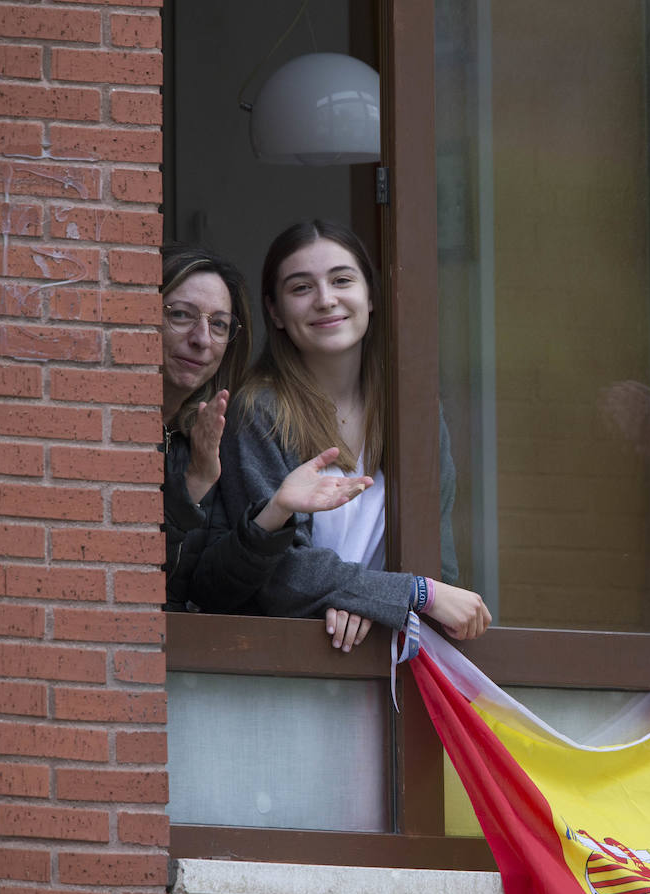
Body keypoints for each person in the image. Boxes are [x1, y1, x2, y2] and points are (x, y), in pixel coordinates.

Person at [210, 220, 491, 650]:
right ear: (275, 312)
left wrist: (368, 600)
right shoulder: (259, 412)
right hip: (286, 661)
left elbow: (441, 566)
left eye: (342, 280)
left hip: (388, 659)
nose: (326, 300)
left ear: (371, 296)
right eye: (301, 288)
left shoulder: (415, 415)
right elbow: (281, 577)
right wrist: (410, 594)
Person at [161, 244, 373, 615]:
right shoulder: (103, 426)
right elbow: (121, 567)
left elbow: (209, 592)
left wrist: (275, 511)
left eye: (220, 325)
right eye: (181, 315)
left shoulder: (204, 431)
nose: (202, 338)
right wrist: (193, 483)